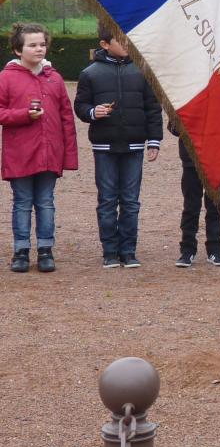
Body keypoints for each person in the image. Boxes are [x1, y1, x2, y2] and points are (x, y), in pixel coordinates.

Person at [74, 23, 161, 269]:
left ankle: (129, 251)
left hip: (134, 146)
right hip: (104, 146)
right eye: (121, 40)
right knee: (107, 199)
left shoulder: (143, 71)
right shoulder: (89, 73)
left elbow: (153, 108)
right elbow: (80, 107)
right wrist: (92, 112)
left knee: (131, 201)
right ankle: (110, 252)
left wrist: (154, 140)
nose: (127, 44)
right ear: (105, 44)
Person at [2, 23, 77, 273]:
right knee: (22, 202)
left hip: (49, 152)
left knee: (46, 202)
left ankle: (46, 249)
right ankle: (21, 250)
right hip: (20, 153)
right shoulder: (6, 78)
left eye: (42, 44)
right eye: (32, 45)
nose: (39, 49)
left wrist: (68, 154)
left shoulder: (54, 78)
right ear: (17, 50)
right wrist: (24, 115)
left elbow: (66, 116)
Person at [171, 117, 220, 267]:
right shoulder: (185, 94)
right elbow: (173, 128)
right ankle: (187, 250)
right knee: (191, 206)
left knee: (215, 205)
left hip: (216, 157)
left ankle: (215, 249)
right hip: (191, 158)